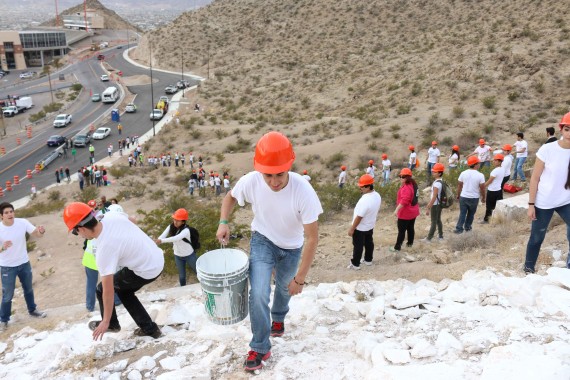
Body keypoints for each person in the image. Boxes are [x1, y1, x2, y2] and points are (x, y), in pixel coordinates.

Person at [215, 131, 322, 372]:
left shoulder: (303, 191)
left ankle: (279, 317)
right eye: (268, 175)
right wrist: (223, 221)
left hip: (292, 247)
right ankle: (260, 346)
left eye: (280, 175)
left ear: (289, 167)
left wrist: (300, 279)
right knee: (259, 292)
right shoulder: (252, 180)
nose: (274, 182)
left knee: (286, 289)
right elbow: (229, 198)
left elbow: (313, 238)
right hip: (262, 240)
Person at [63, 202, 164, 340]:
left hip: (148, 269)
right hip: (156, 255)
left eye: (75, 232)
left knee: (101, 289)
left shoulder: (104, 249)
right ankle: (149, 329)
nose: (78, 235)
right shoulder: (111, 215)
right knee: (124, 290)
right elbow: (132, 220)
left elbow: (108, 290)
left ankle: (111, 324)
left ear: (81, 228)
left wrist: (104, 321)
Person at [523, 116, 570, 274]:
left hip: (566, 200)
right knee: (537, 237)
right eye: (567, 129)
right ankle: (528, 269)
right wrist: (531, 205)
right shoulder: (548, 150)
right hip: (544, 201)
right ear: (561, 129)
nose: (569, 133)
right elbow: (535, 178)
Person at [0, 202, 47, 332]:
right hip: (7, 267)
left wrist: (41, 231)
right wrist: (2, 247)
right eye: (6, 213)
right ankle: (3, 320)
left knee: (28, 289)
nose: (10, 214)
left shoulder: (22, 222)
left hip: (24, 263)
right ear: (1, 216)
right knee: (7, 295)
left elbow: (36, 234)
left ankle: (33, 310)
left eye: (11, 211)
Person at [154, 209, 197, 286]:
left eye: (178, 220)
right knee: (182, 277)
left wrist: (161, 241)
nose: (175, 222)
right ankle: (183, 289)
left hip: (189, 255)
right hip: (178, 255)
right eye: (174, 219)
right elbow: (163, 235)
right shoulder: (171, 226)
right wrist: (157, 241)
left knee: (198, 272)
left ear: (183, 222)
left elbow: (176, 238)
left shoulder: (186, 230)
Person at [347, 174, 381, 269]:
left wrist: (352, 229)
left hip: (360, 228)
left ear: (368, 186)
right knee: (369, 243)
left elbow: (359, 217)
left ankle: (355, 264)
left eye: (362, 187)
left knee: (358, 246)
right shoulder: (377, 195)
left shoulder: (365, 200)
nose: (360, 188)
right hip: (370, 225)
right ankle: (368, 260)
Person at [390, 168, 420, 251]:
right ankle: (410, 244)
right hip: (413, 211)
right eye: (400, 176)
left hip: (405, 213)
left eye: (402, 177)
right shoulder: (413, 184)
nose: (400, 178)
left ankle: (397, 247)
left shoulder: (406, 187)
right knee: (410, 228)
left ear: (407, 177)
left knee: (401, 231)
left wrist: (396, 210)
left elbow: (405, 200)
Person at [454, 156, 485, 234]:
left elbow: (459, 185)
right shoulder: (480, 175)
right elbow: (482, 188)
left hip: (464, 197)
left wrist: (458, 194)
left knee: (462, 213)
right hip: (474, 198)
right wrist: (484, 197)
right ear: (475, 164)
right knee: (471, 214)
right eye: (478, 163)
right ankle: (468, 228)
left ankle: (459, 229)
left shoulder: (463, 173)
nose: (479, 164)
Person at [423, 163, 445, 242]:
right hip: (438, 204)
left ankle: (429, 238)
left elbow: (434, 196)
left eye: (435, 172)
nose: (433, 173)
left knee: (434, 221)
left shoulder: (437, 184)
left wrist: (429, 206)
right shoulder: (440, 181)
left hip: (435, 205)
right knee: (438, 220)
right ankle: (440, 236)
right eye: (433, 171)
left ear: (439, 173)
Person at [483, 154, 505, 223]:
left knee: (489, 206)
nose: (494, 161)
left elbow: (490, 181)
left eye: (495, 160)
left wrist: (483, 186)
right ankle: (498, 219)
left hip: (492, 190)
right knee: (497, 206)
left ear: (500, 162)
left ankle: (487, 220)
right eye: (494, 160)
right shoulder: (503, 169)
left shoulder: (495, 171)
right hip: (499, 190)